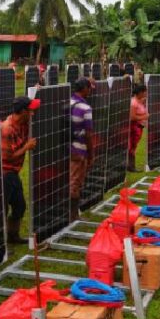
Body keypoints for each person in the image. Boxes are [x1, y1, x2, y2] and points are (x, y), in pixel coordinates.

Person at [0, 96, 40, 244]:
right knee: (2, 209)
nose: (33, 113)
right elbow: (7, 157)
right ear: (23, 111)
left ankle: (12, 236)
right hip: (4, 173)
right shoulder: (7, 129)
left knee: (19, 206)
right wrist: (26, 147)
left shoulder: (24, 122)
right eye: (30, 110)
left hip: (13, 172)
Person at [69, 78, 95, 221]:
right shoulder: (85, 108)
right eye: (89, 88)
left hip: (65, 148)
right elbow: (88, 134)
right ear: (84, 88)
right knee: (76, 182)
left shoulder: (67, 102)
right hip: (79, 150)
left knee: (70, 179)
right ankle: (73, 215)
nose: (90, 91)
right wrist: (91, 154)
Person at [128, 84, 149, 173]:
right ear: (140, 92)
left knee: (134, 147)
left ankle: (130, 166)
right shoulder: (133, 103)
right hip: (135, 128)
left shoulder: (138, 101)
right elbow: (132, 117)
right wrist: (145, 117)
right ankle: (131, 167)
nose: (146, 94)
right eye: (145, 92)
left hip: (139, 128)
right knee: (132, 147)